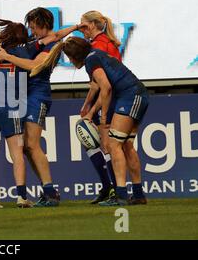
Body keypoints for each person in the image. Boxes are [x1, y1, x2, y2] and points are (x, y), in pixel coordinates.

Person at [31, 36, 149, 205]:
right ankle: (138, 194)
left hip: (130, 96)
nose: (71, 63)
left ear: (74, 57)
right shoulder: (95, 54)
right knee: (127, 145)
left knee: (114, 144)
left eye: (70, 59)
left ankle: (121, 195)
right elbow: (98, 87)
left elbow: (106, 87)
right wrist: (89, 109)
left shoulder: (91, 60)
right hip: (136, 94)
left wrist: (103, 117)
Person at [0, 7, 81, 207]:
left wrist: (6, 56)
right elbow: (55, 33)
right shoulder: (43, 39)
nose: (31, 32)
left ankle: (50, 192)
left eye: (33, 27)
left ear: (43, 25)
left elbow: (34, 66)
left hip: (37, 96)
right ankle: (47, 190)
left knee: (32, 144)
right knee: (26, 148)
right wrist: (75, 26)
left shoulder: (53, 46)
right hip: (24, 95)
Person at [0, 15, 33, 209]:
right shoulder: (24, 51)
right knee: (17, 152)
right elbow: (33, 65)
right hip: (11, 103)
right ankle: (21, 197)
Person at [76, 10, 120, 203]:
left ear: (92, 25)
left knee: (106, 144)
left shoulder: (99, 47)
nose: (81, 29)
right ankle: (108, 187)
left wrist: (92, 109)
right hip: (107, 97)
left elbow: (104, 85)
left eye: (83, 25)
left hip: (110, 98)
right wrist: (87, 105)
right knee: (89, 139)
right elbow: (95, 84)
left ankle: (115, 190)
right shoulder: (103, 43)